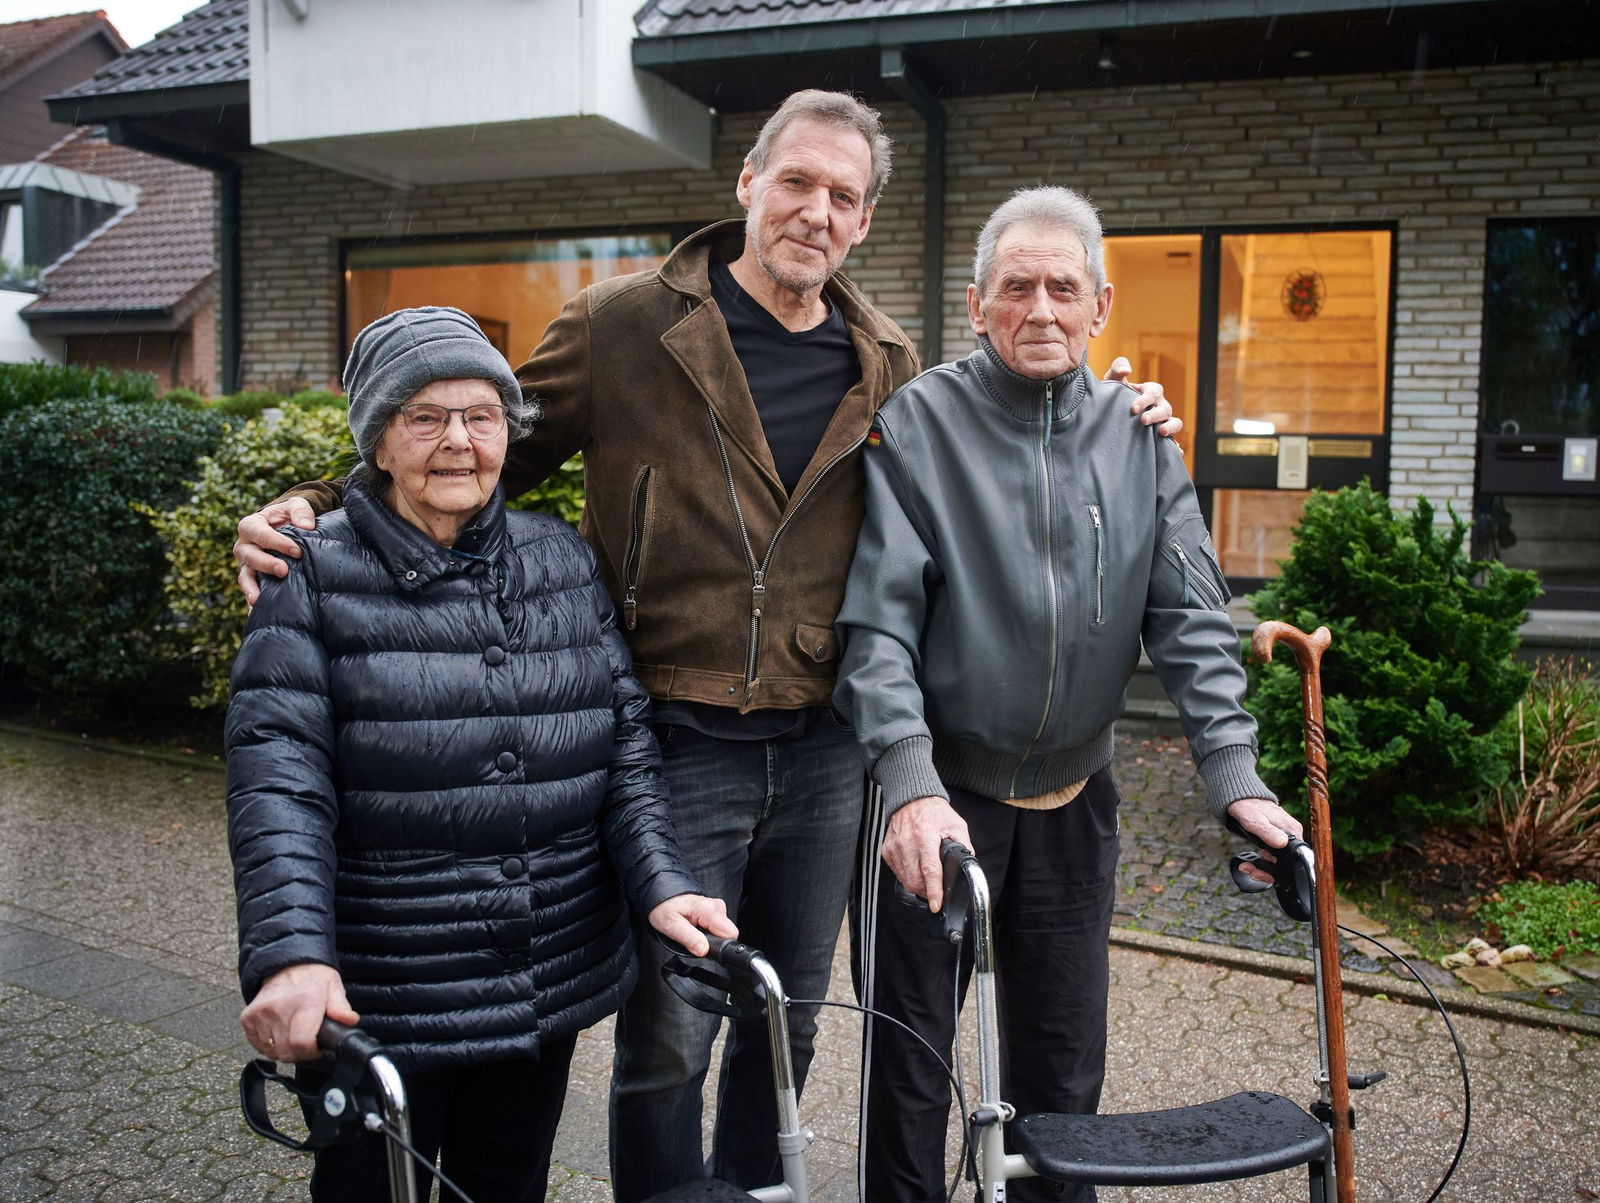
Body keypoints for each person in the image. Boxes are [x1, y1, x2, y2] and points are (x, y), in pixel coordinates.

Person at [230, 92, 1181, 1201]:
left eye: (843, 196)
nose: (815, 211)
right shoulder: (623, 323)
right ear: (748, 183)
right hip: (675, 734)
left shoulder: (887, 359)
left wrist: (1115, 418)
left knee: (792, 1019)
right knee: (672, 1032)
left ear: (864, 220)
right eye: (797, 181)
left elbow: (984, 481)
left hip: (825, 746)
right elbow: (474, 448)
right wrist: (316, 508)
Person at [834, 186, 1304, 1203]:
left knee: (1061, 1065)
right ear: (977, 305)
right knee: (909, 1065)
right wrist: (908, 783)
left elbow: (1189, 616)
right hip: (935, 802)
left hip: (1073, 800)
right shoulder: (918, 425)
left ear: (1100, 306)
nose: (1039, 309)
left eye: (1062, 288)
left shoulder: (1142, 437)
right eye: (1015, 288)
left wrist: (1234, 773)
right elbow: (877, 627)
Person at [226, 306, 734, 1203]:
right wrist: (291, 955)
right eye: (425, 417)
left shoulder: (560, 558)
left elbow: (623, 747)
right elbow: (280, 783)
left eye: (483, 415)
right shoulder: (306, 574)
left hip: (542, 977)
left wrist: (661, 881)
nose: (459, 440)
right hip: (384, 997)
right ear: (379, 442)